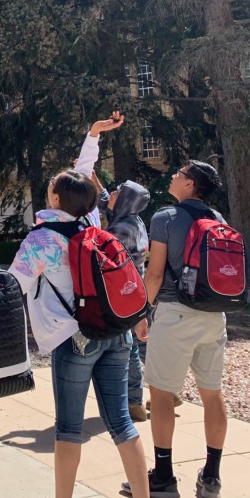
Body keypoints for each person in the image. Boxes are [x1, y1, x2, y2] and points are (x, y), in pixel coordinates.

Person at [8, 165, 163, 498]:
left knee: (68, 429)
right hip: (115, 332)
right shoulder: (96, 231)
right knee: (122, 423)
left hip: (73, 340)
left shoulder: (41, 239)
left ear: (56, 199)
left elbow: (12, 286)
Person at [123, 161, 228, 498]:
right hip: (214, 314)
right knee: (212, 393)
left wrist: (142, 313)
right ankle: (212, 475)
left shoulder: (165, 218)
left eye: (179, 174)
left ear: (190, 184)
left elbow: (153, 275)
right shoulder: (218, 218)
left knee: (163, 393)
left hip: (176, 313)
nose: (172, 176)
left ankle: (164, 476)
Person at [95, 176, 152, 422]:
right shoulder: (130, 218)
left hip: (125, 295)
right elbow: (105, 199)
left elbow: (101, 255)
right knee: (138, 345)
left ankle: (135, 402)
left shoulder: (122, 228)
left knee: (130, 349)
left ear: (126, 200)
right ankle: (166, 390)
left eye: (118, 192)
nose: (112, 194)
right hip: (133, 294)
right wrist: (91, 176)